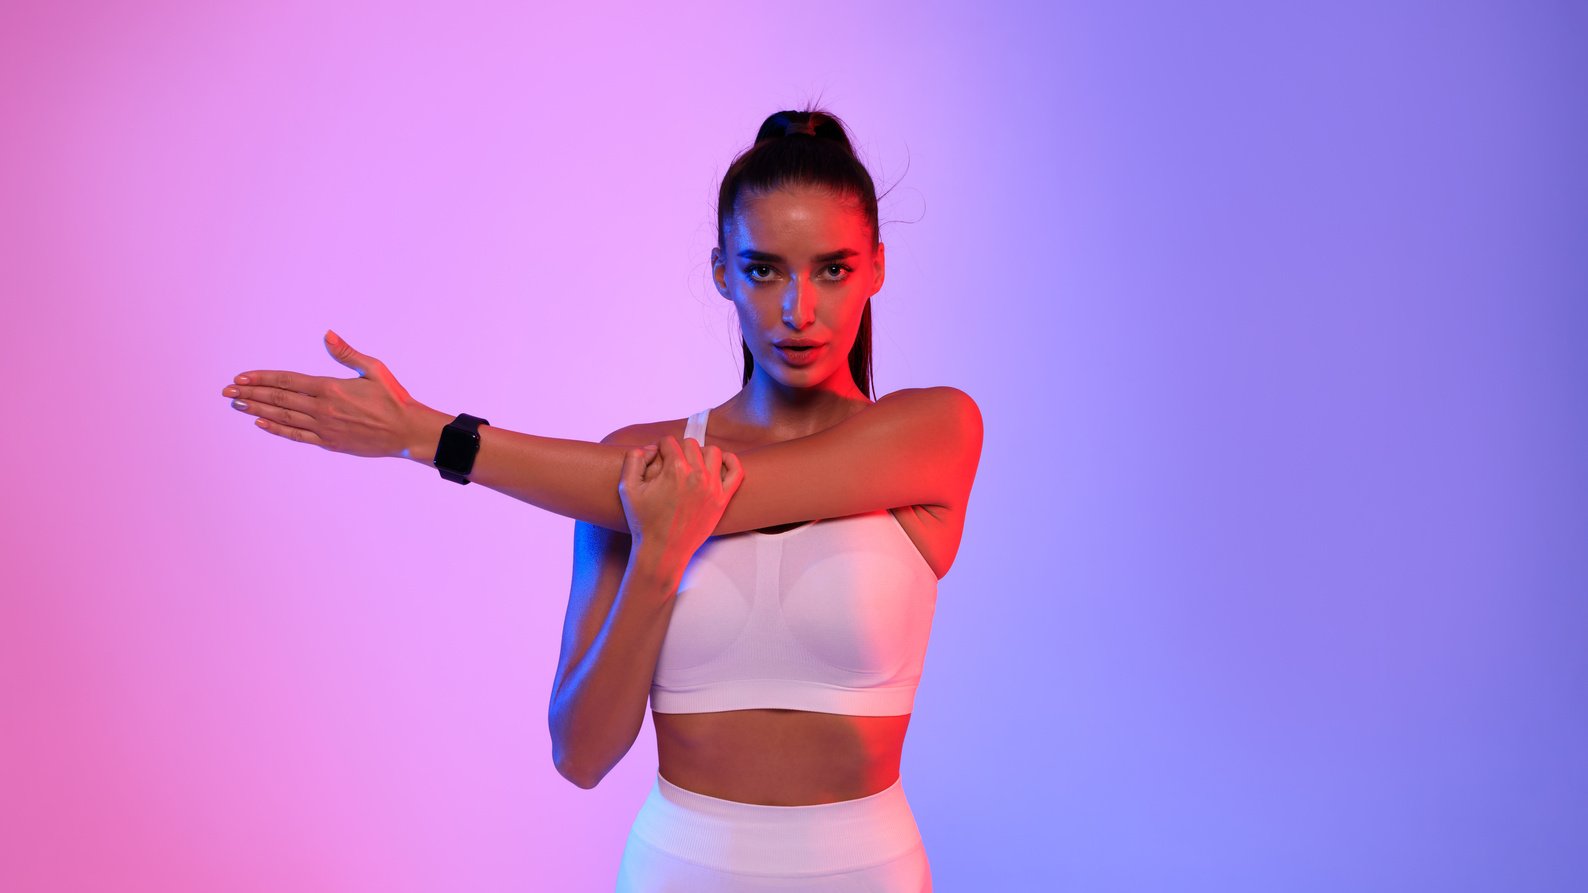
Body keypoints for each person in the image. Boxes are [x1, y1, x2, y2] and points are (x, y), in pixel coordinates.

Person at [219, 107, 982, 891]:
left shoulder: (931, 432)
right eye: (764, 269)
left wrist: (426, 433)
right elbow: (580, 756)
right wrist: (657, 553)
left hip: (865, 871)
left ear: (878, 266)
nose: (798, 310)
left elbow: (717, 491)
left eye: (833, 268)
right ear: (721, 269)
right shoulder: (633, 459)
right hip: (680, 868)